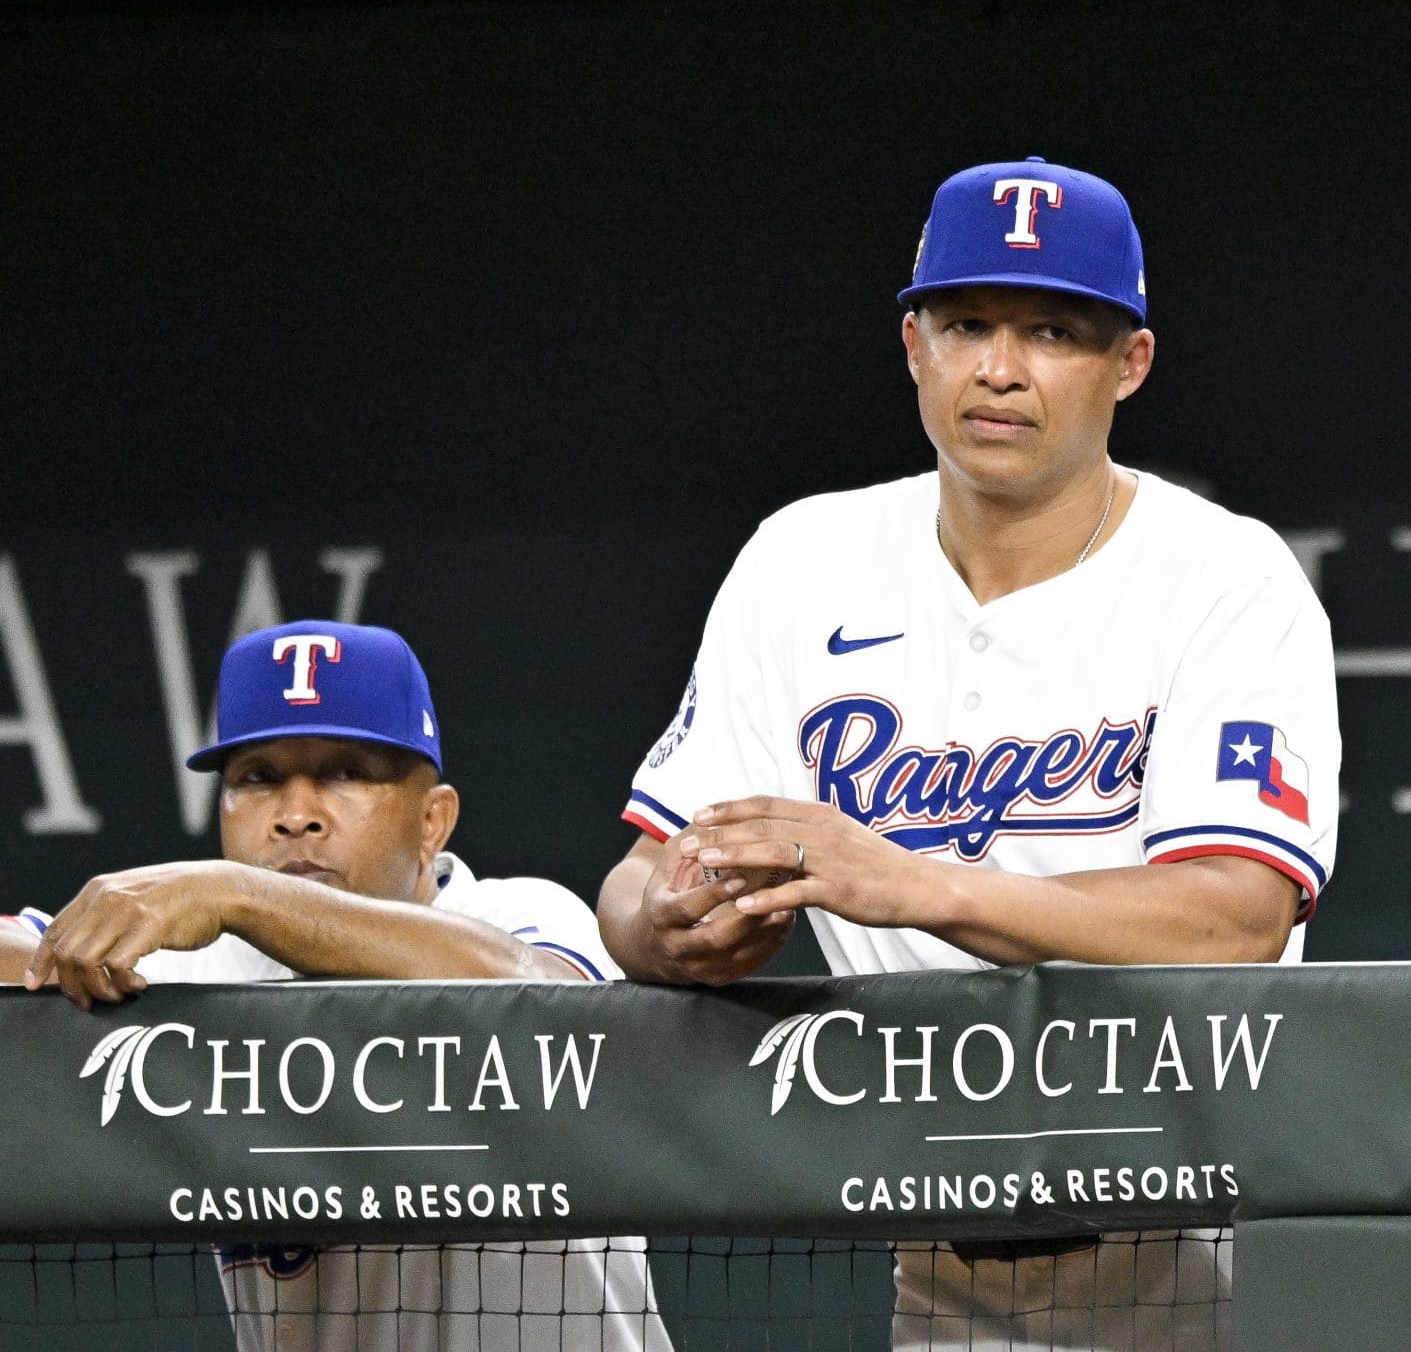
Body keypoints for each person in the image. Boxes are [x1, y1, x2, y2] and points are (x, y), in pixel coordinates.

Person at [598, 157, 1339, 1350]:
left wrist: (916, 883)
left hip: (1214, 1241)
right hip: (941, 1253)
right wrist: (669, 927)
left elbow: (1234, 914)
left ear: (1128, 365)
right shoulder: (801, 562)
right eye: (966, 324)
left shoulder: (1225, 577)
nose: (999, 368)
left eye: (1052, 330)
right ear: (912, 345)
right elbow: (638, 881)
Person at [3, 619, 671, 1352]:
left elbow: (545, 1001)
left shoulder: (516, 915)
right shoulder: (195, 970)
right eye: (257, 778)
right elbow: (27, 953)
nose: (296, 814)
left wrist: (240, 894)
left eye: (345, 771)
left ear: (432, 820)